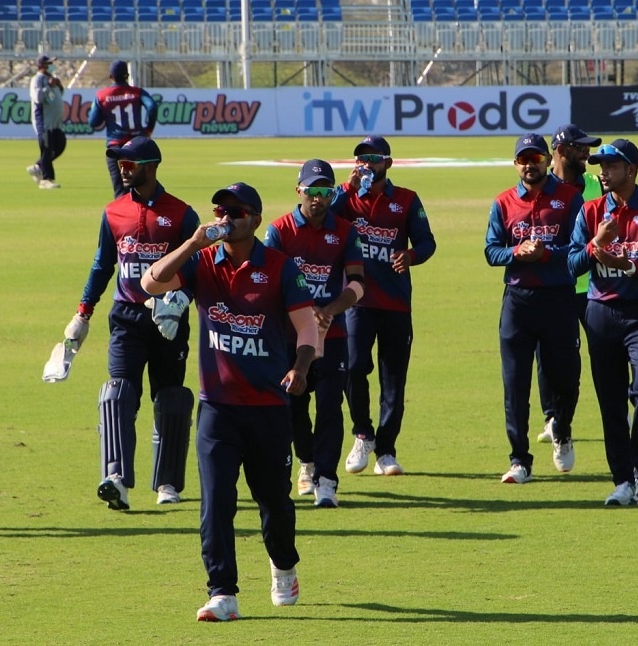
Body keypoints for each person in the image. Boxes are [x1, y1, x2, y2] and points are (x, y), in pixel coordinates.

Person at [140, 181, 318, 622]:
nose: (224, 218)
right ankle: (222, 591)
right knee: (216, 498)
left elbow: (308, 326)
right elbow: (151, 281)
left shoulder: (280, 267)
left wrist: (301, 366)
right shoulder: (203, 262)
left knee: (273, 502)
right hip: (217, 407)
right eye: (219, 210)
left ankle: (283, 563)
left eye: (235, 211)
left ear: (255, 218)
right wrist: (192, 242)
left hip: (268, 407)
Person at [63, 136, 200, 510]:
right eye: (120, 163)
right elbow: (102, 264)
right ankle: (116, 478)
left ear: (152, 165)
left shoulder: (182, 213)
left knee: (171, 397)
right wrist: (83, 312)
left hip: (168, 319)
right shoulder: (113, 212)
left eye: (130, 163)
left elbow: (196, 265)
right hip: (126, 317)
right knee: (118, 393)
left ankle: (168, 482)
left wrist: (180, 299)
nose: (123, 168)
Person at [568, 139, 638, 507]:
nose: (603, 171)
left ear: (631, 170)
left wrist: (627, 265)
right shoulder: (591, 211)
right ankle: (622, 481)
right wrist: (596, 245)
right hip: (601, 314)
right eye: (601, 165)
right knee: (610, 401)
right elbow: (572, 264)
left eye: (611, 165)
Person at [329, 135, 437, 477]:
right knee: (355, 367)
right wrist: (342, 193)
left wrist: (411, 255)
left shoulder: (405, 200)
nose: (366, 164)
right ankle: (363, 434)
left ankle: (387, 451)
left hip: (395, 303)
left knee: (394, 379)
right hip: (357, 301)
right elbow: (322, 226)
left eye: (373, 158)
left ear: (388, 164)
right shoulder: (345, 199)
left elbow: (427, 241)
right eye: (360, 158)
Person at [263, 159, 366, 508]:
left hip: (332, 336)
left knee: (329, 408)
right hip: (289, 339)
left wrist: (330, 311)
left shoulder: (345, 231)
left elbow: (358, 284)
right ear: (299, 192)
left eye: (326, 192)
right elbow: (267, 285)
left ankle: (327, 480)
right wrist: (297, 316)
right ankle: (306, 463)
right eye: (312, 191)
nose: (318, 199)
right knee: (293, 407)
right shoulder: (279, 231)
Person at [485, 133, 584, 484]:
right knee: (515, 384)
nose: (530, 165)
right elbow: (491, 251)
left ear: (547, 160)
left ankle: (562, 427)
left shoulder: (570, 198)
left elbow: (579, 249)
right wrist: (516, 253)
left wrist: (546, 254)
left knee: (566, 378)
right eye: (523, 160)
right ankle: (519, 459)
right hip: (518, 300)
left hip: (558, 297)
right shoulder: (503, 202)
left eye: (536, 159)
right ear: (516, 165)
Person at [536, 123, 603, 444]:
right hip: (553, 287)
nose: (586, 152)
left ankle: (626, 404)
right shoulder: (539, 186)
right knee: (549, 358)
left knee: (608, 351)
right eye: (580, 148)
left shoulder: (595, 184)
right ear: (561, 151)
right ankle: (553, 417)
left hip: (593, 287)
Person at [88, 60, 158, 198]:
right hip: (137, 147)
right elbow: (152, 107)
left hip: (116, 146)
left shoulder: (102, 95)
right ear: (127, 75)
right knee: (143, 189)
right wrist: (148, 128)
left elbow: (93, 122)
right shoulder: (137, 92)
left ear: (110, 77)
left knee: (121, 193)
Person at [27, 54, 65, 190]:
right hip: (44, 121)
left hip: (55, 123)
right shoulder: (37, 79)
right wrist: (48, 86)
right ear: (42, 66)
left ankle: (38, 166)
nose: (52, 66)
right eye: (49, 64)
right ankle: (46, 179)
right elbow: (38, 97)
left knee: (60, 145)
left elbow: (56, 97)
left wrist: (59, 87)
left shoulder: (52, 79)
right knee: (47, 149)